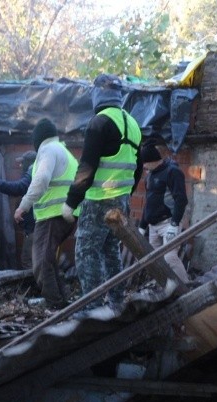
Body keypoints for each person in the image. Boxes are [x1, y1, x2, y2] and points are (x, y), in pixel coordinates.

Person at [61, 74, 143, 311]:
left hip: (98, 201)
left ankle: (93, 309)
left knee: (87, 254)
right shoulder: (133, 124)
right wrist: (125, 195)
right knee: (110, 251)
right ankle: (117, 303)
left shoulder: (99, 122)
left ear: (98, 94)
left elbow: (86, 167)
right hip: (121, 202)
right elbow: (137, 169)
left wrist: (71, 202)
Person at [15, 118, 79, 308]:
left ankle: (55, 306)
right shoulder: (63, 151)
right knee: (49, 261)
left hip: (52, 215)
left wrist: (23, 206)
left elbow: (41, 179)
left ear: (38, 138)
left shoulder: (48, 150)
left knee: (41, 263)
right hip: (66, 214)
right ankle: (64, 302)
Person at [138, 134, 190, 283]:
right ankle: (164, 286)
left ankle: (185, 287)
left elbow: (181, 199)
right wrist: (142, 226)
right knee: (154, 261)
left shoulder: (172, 172)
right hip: (153, 226)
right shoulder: (151, 175)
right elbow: (148, 202)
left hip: (168, 223)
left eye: (145, 163)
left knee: (169, 257)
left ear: (152, 160)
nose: (144, 167)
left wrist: (174, 224)